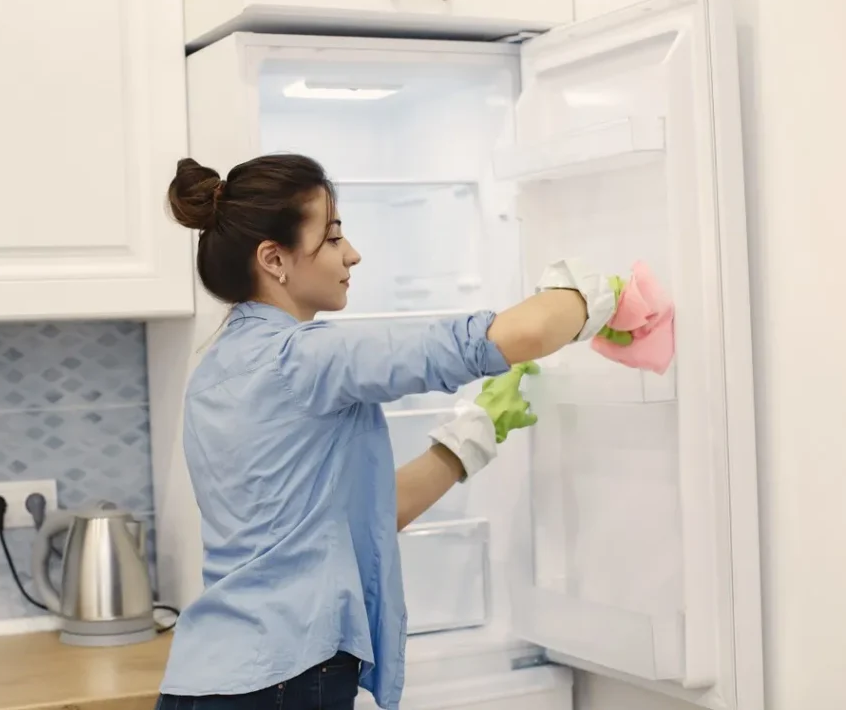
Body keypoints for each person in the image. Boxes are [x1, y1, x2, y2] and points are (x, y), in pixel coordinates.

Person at [155, 154, 619, 710]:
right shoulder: (305, 357)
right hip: (285, 678)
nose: (351, 254)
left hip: (201, 682)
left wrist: (472, 436)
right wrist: (596, 296)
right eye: (331, 237)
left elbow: (356, 517)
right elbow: (507, 337)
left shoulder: (215, 369)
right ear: (274, 258)